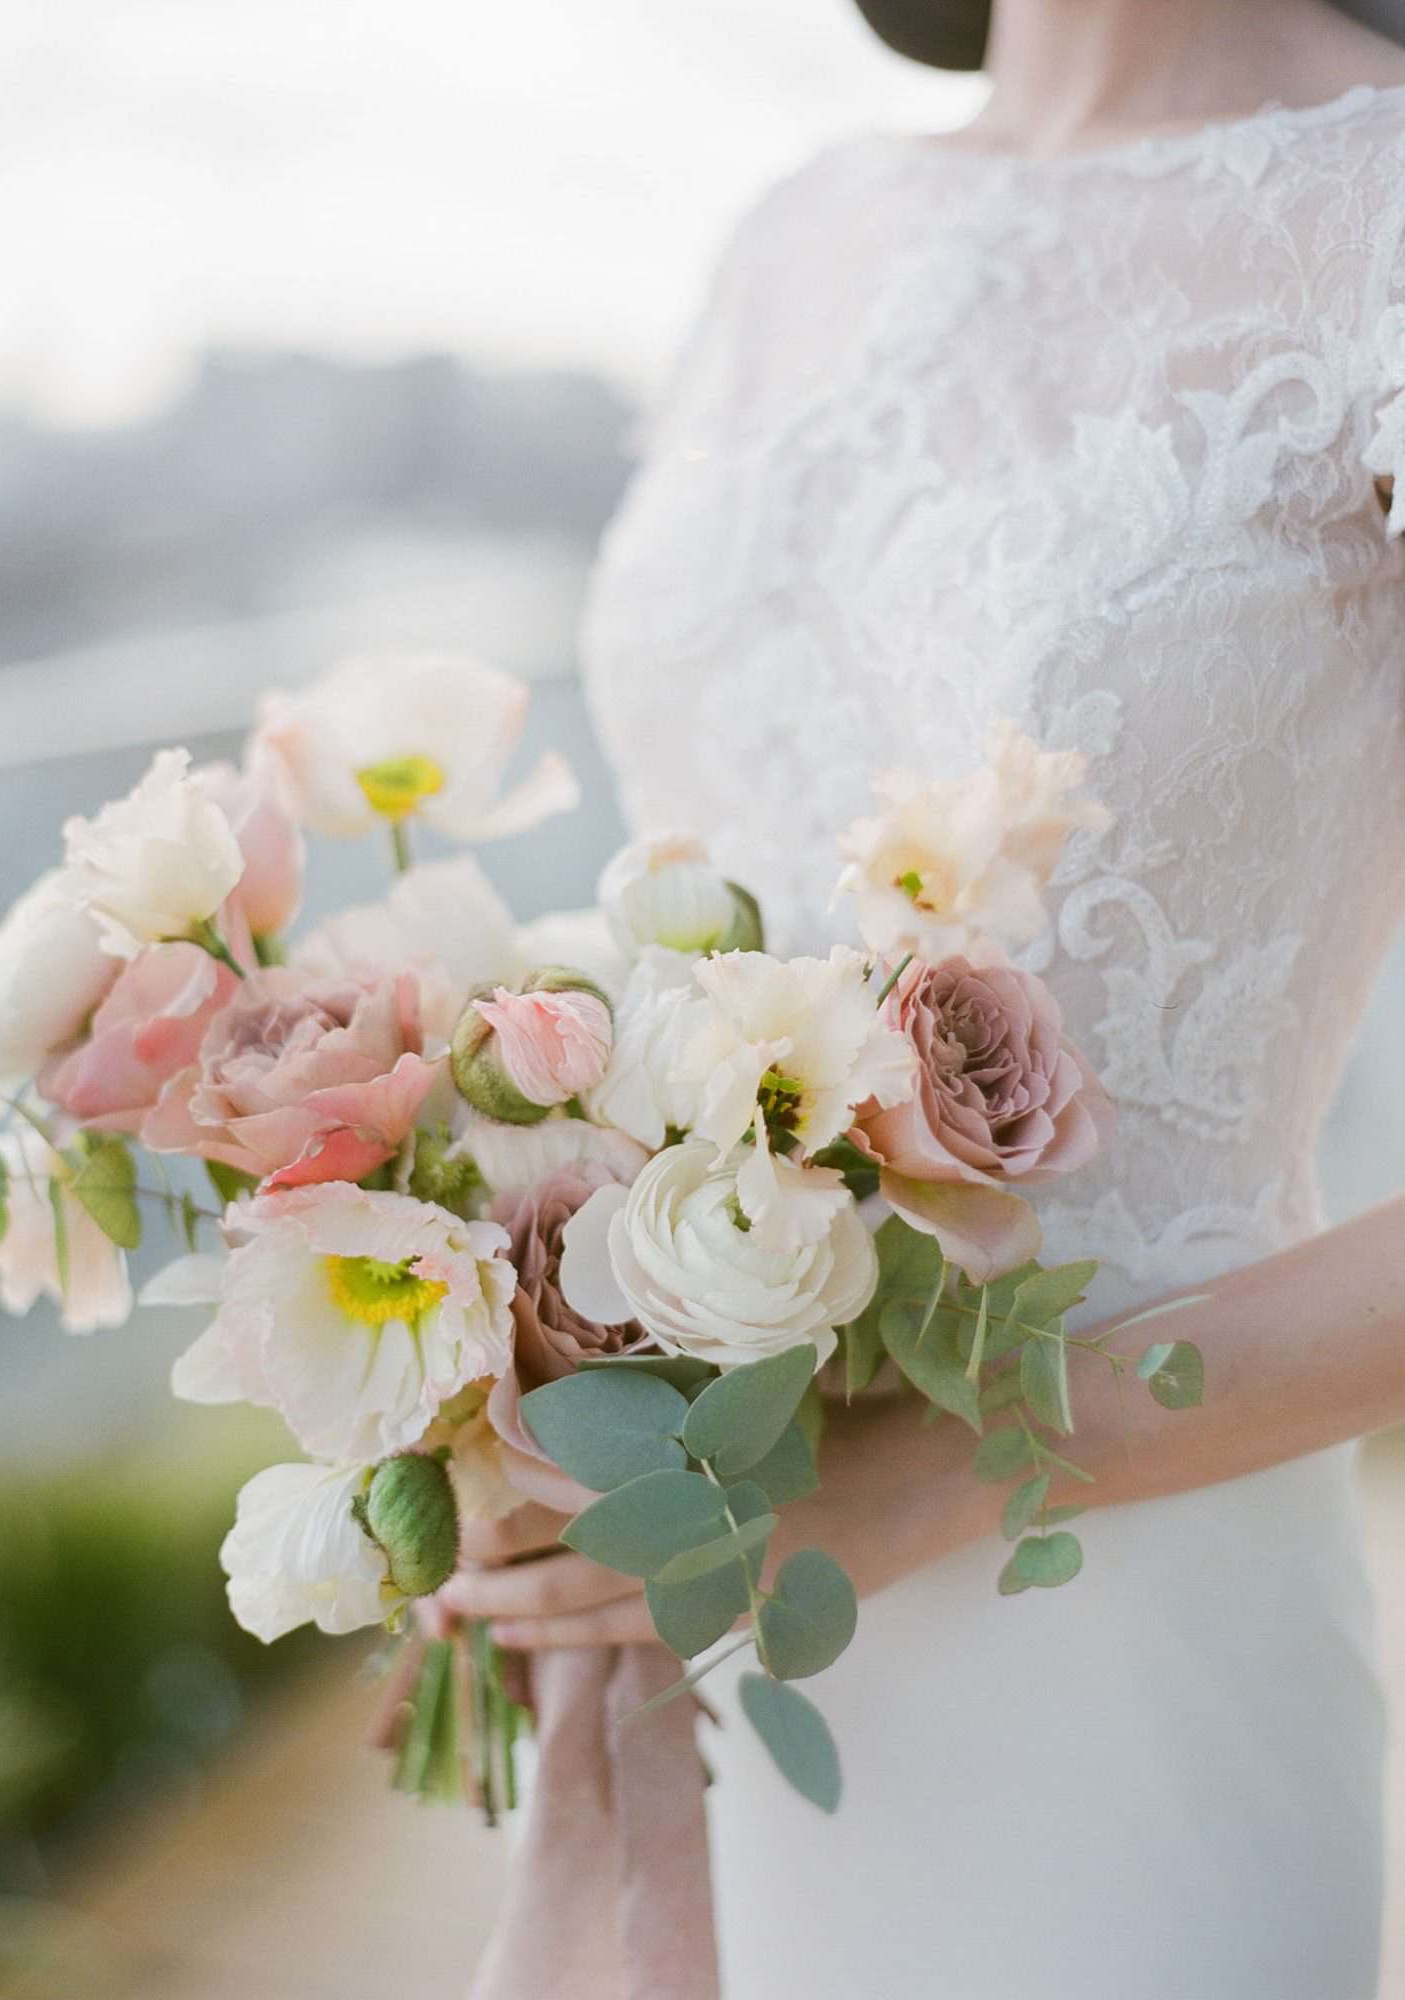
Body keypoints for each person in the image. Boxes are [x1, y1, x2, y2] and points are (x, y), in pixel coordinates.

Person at [434, 3, 1405, 1991]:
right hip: (695, 1580)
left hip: (1118, 1636)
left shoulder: (1375, 214)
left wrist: (960, 1462)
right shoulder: (798, 227)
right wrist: (485, 1383)